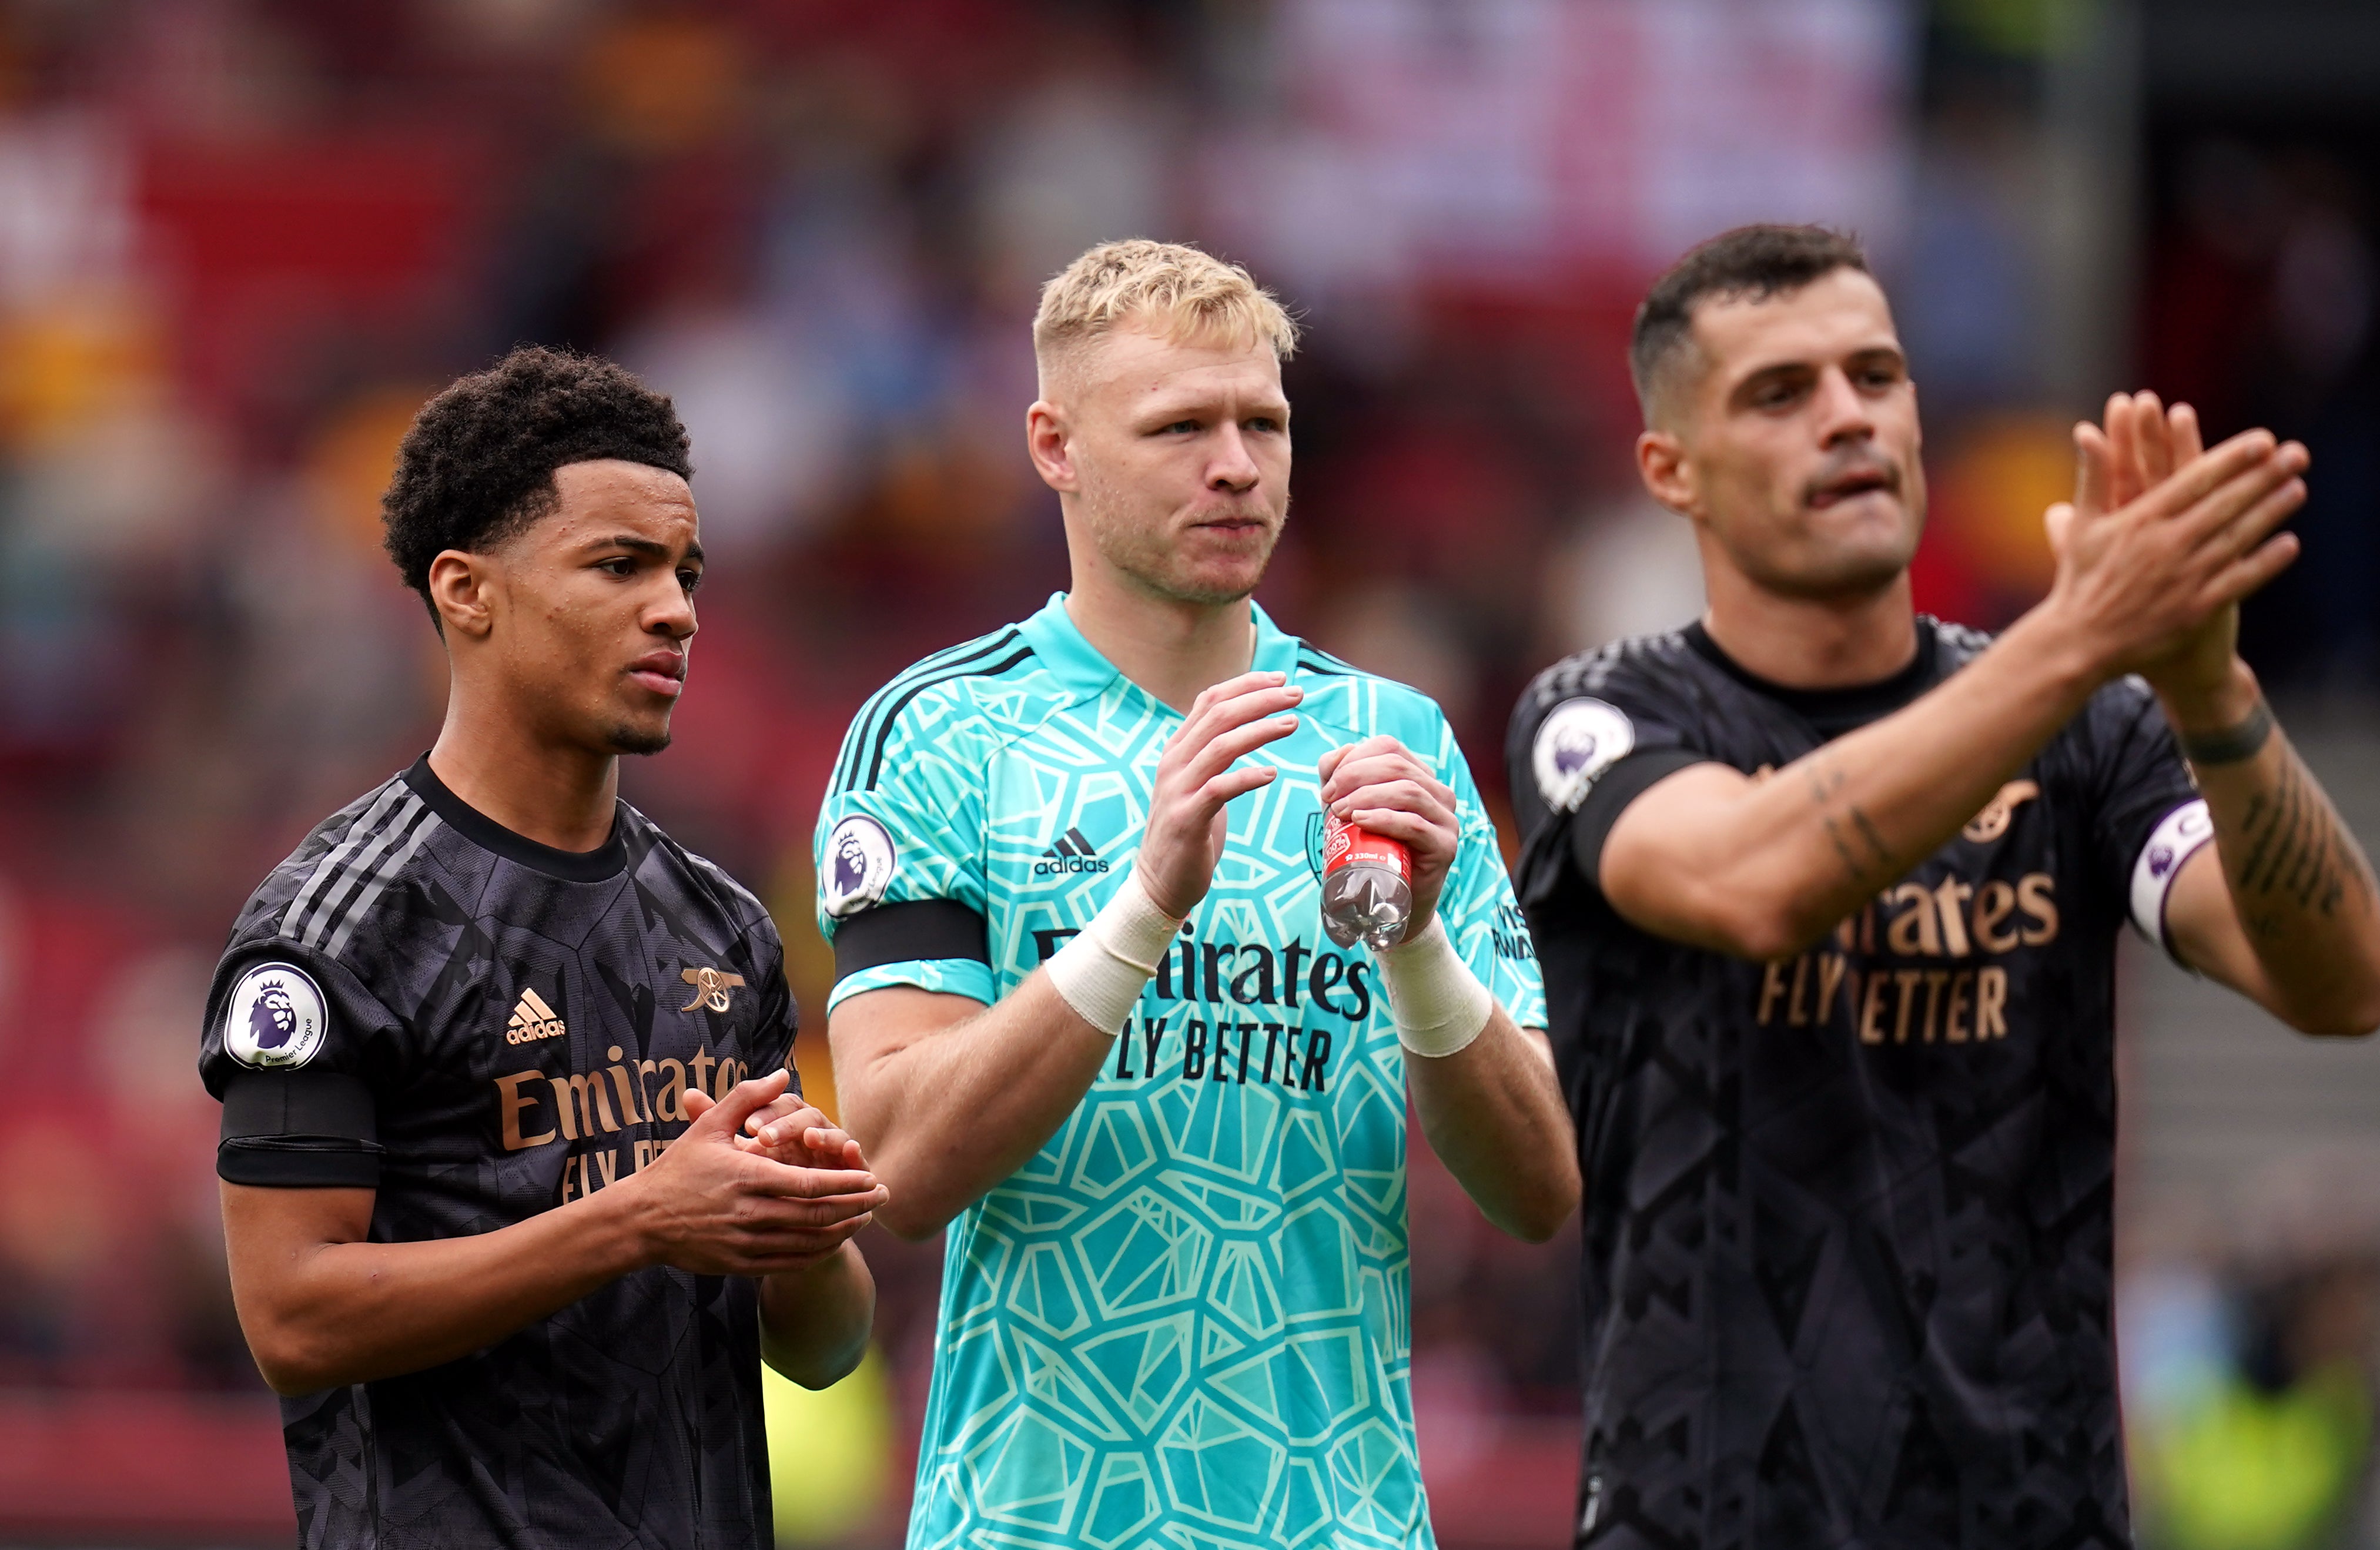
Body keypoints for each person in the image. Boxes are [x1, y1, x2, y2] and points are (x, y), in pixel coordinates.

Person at [1504, 225, 2380, 1548]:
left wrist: (2208, 687)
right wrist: (2080, 634)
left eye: (1875, 375)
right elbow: (1754, 884)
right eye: (1778, 392)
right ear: (1668, 469)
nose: (1845, 418)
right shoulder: (1601, 713)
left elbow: (2343, 984)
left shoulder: (2090, 732)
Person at [816, 239, 1579, 1549]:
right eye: (1179, 426)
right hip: (1035, 1520)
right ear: (1054, 446)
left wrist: (1416, 956)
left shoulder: (1389, 734)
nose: (1235, 462)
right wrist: (1140, 911)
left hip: (1338, 1520)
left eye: (1262, 423)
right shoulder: (942, 730)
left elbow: (1537, 1188)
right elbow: (896, 1163)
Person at [205, 346, 883, 1547]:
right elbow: (292, 1318)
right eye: (618, 565)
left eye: (684, 571)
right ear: (467, 590)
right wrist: (642, 1215)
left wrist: (806, 1229)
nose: (673, 606)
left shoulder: (720, 922)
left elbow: (822, 1350)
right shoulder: (330, 930)